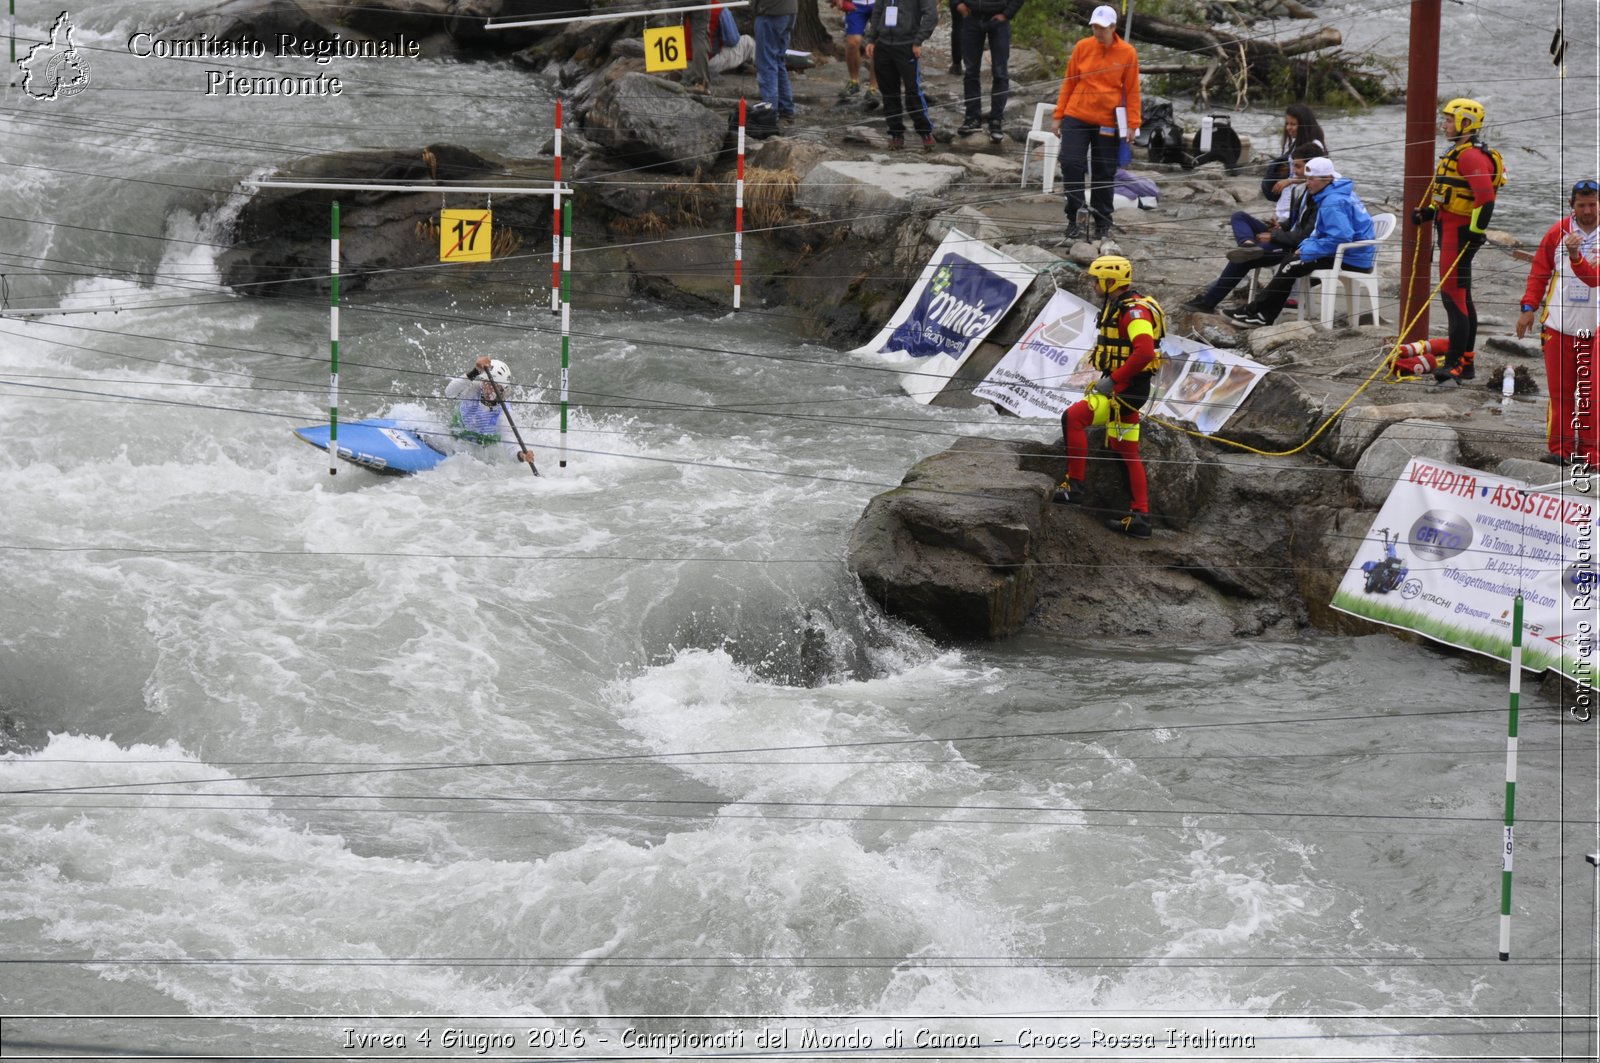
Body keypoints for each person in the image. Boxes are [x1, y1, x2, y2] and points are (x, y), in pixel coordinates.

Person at [1051, 255, 1165, 539]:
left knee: (1073, 418)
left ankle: (1073, 488)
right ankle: (1140, 518)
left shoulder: (1134, 313)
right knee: (1125, 449)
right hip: (1129, 388)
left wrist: (1114, 380)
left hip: (1126, 390)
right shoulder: (1120, 305)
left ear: (1110, 281)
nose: (1092, 284)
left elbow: (1144, 351)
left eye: (1096, 279)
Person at [1412, 97, 1505, 384]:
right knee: (1461, 297)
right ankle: (1466, 363)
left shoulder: (1469, 156)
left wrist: (1473, 235)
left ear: (1466, 123)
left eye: (1449, 120)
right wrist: (1428, 213)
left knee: (1454, 299)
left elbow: (1486, 199)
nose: (1444, 125)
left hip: (1460, 236)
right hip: (1451, 230)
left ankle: (1454, 364)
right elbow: (1451, 201)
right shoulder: (1457, 153)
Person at [1224, 156, 1374, 328]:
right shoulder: (1332, 192)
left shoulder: (1332, 201)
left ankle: (1254, 312)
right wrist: (1305, 246)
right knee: (1291, 260)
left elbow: (1341, 236)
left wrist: (1307, 251)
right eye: (1307, 178)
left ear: (1327, 178)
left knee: (1291, 265)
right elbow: (1321, 231)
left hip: (1351, 257)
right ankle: (1262, 315)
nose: (1307, 183)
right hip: (1346, 251)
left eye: (1312, 179)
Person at [1517, 178, 1600, 467]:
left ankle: (1592, 456)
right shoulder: (1557, 232)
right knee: (1560, 393)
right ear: (1571, 206)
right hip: (1558, 325)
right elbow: (1539, 272)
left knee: (1593, 394)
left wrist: (1576, 256)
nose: (1588, 210)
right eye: (1582, 205)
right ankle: (1560, 451)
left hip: (1595, 331)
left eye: (1592, 204)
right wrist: (1528, 307)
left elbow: (1594, 278)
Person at [1184, 144, 1322, 313]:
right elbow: (1296, 222)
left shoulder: (1318, 195)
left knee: (1243, 260)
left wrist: (1274, 236)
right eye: (1293, 165)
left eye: (1299, 166)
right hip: (1286, 235)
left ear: (1312, 167)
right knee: (1240, 217)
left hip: (1293, 246)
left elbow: (1303, 236)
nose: (1294, 170)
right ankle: (1248, 244)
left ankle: (1208, 301)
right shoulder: (1303, 189)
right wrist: (1280, 226)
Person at [1050, 4, 1139, 242]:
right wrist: (1058, 115)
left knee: (1104, 172)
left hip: (1108, 120)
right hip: (1076, 115)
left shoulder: (1127, 53)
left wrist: (1133, 123)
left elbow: (1132, 90)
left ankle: (1102, 222)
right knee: (1070, 163)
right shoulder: (1083, 47)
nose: (1097, 32)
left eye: (1101, 28)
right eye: (1094, 27)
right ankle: (1075, 217)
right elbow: (1069, 82)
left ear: (1113, 27)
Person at [865, 0, 940, 151]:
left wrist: (918, 41)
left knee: (913, 91)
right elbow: (877, 12)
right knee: (889, 93)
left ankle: (925, 132)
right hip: (884, 45)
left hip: (907, 45)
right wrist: (871, 39)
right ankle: (896, 133)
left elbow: (931, 15)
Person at [951, 0, 1024, 143]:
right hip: (971, 17)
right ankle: (972, 118)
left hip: (999, 19)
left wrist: (1007, 14)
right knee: (971, 71)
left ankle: (996, 120)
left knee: (1000, 72)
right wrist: (958, 5)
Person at [444, 356, 536, 465]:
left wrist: (522, 456)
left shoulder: (504, 413)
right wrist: (475, 371)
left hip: (485, 445)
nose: (487, 389)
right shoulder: (474, 389)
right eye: (486, 383)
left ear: (503, 389)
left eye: (493, 386)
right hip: (459, 432)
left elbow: (511, 449)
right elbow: (449, 392)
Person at [1259, 103, 1327, 202]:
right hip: (1289, 197)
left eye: (1293, 124)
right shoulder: (1295, 143)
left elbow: (1318, 178)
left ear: (1304, 125)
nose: (1288, 128)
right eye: (1287, 123)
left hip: (1302, 198)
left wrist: (1290, 181)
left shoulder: (1316, 146)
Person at [830, 0, 881, 107]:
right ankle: (854, 81)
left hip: (879, 3)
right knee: (852, 42)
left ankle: (873, 87)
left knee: (878, 44)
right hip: (856, 4)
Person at [753, 0, 798, 123]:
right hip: (790, 11)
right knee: (778, 60)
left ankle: (770, 111)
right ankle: (786, 108)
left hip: (771, 11)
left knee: (767, 62)